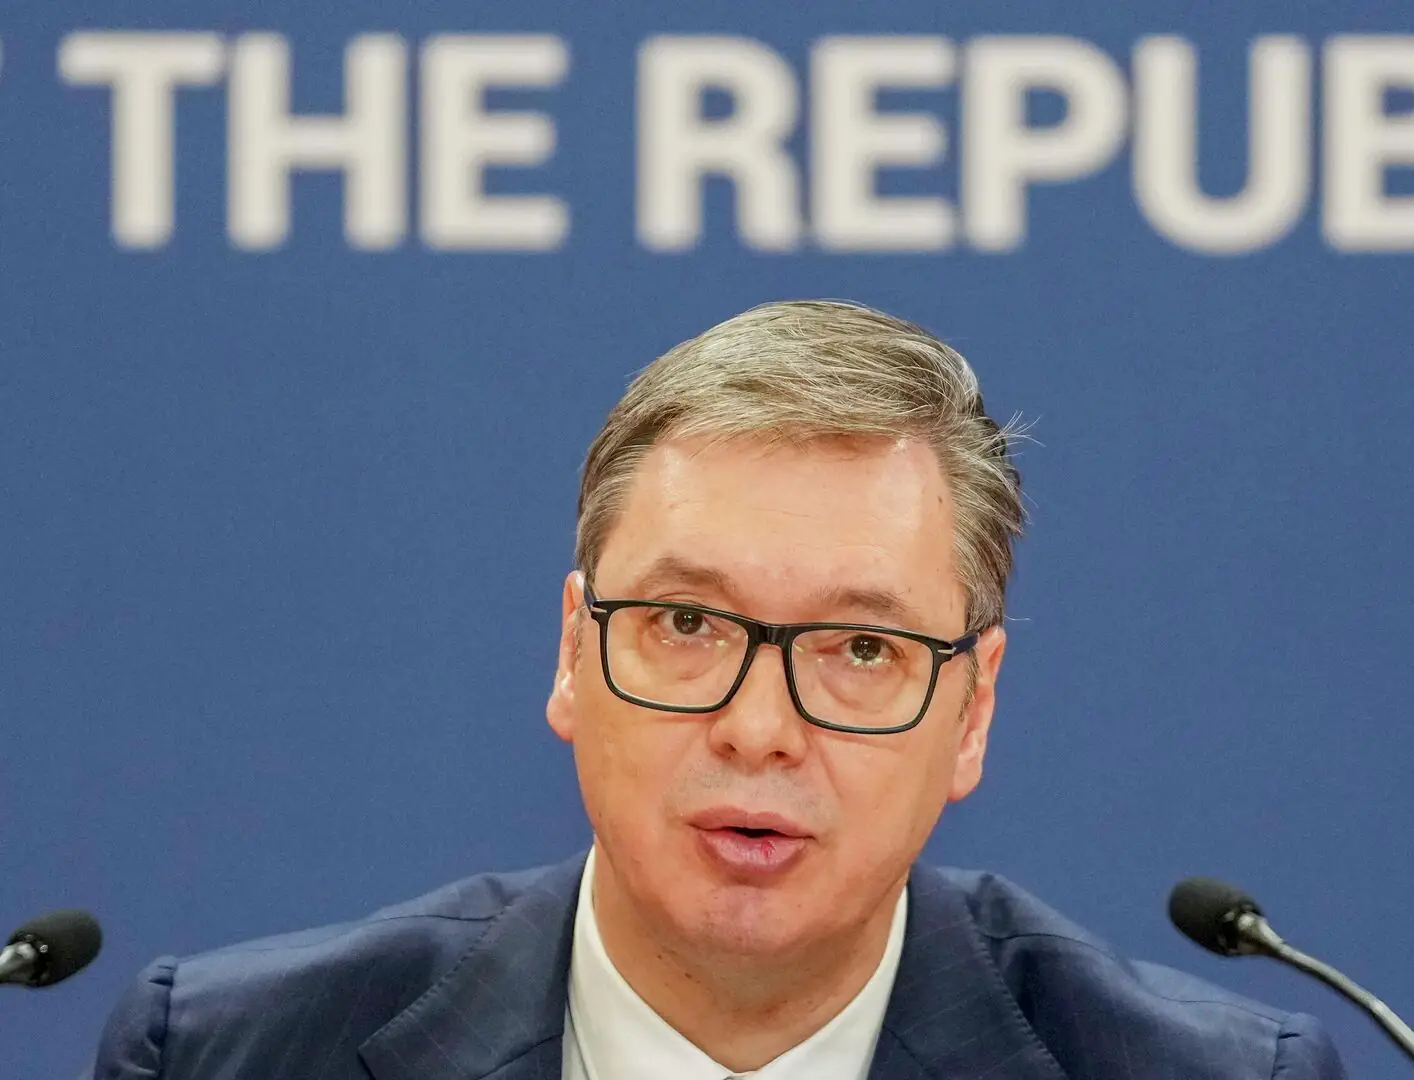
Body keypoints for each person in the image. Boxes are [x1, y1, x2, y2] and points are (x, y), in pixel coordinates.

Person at [89, 301, 1344, 1080]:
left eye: (862, 649)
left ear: (972, 714)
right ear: (574, 653)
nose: (757, 730)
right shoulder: (220, 1056)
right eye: (687, 624)